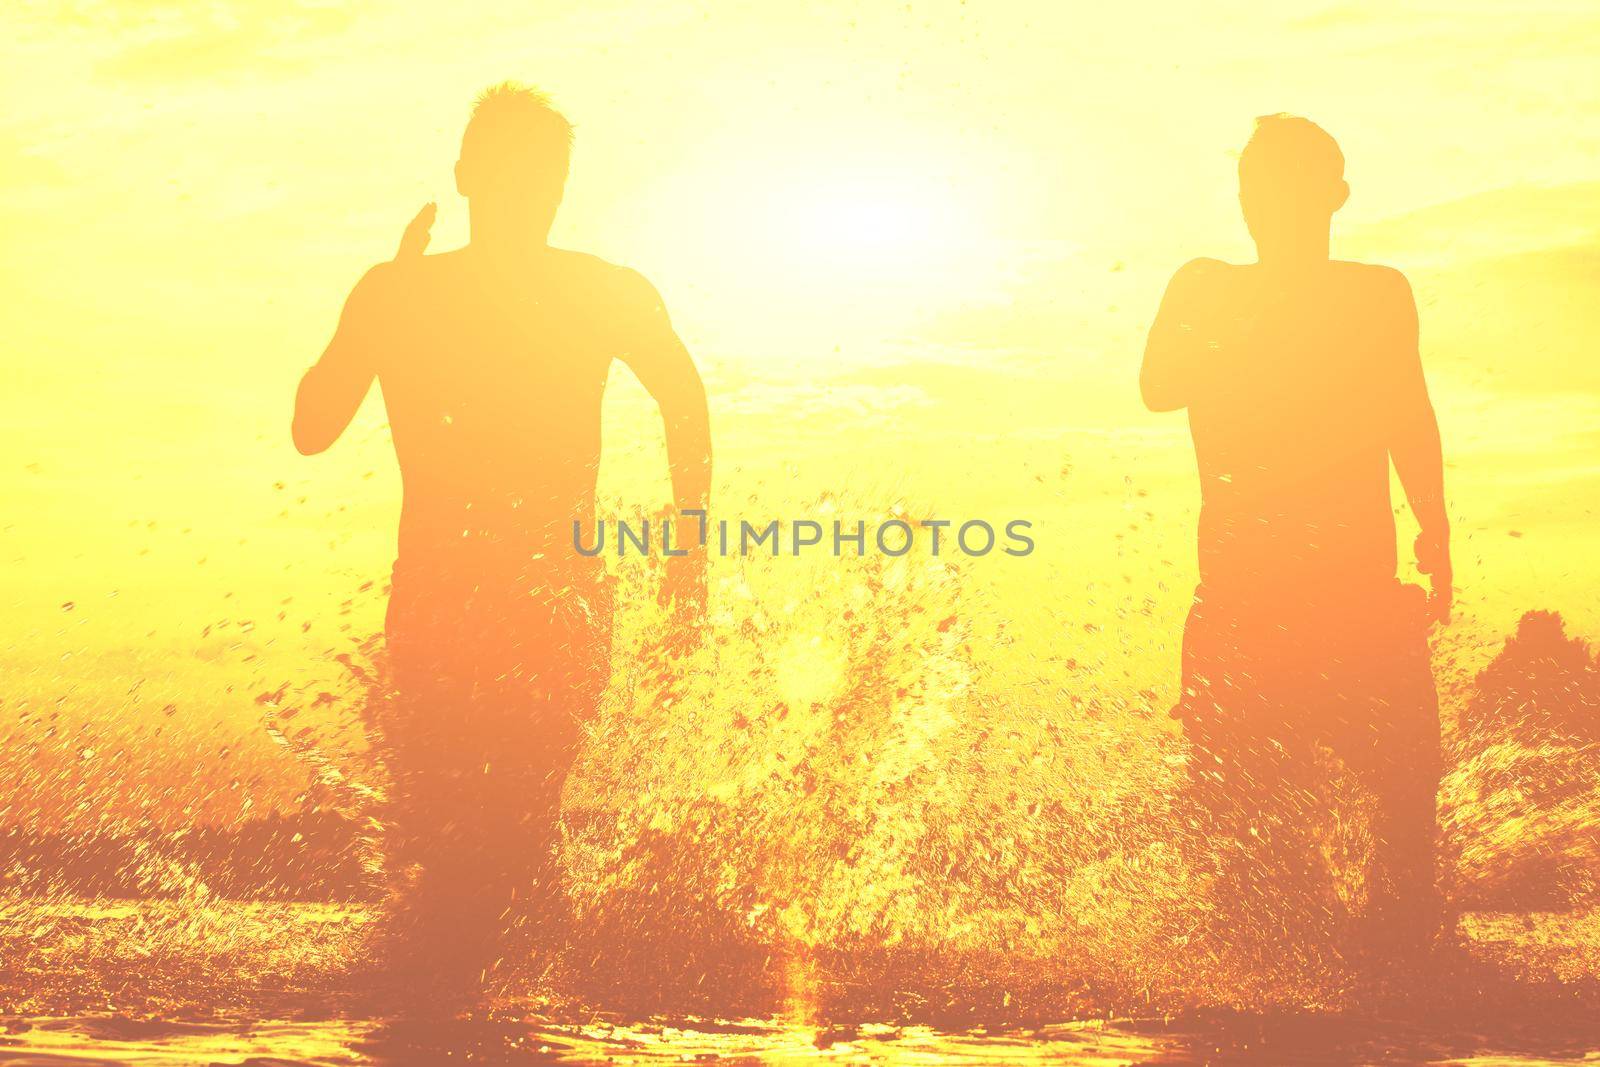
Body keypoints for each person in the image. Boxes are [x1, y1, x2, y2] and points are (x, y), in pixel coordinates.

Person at [292, 83, 712, 998]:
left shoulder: (599, 290)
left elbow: (684, 397)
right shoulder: (400, 290)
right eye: (513, 174)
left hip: (552, 593)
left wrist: (690, 556)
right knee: (449, 843)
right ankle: (472, 1018)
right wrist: (375, 310)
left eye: (546, 177)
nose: (531, 193)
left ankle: (507, 1014)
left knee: (515, 826)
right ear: (467, 176)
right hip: (440, 597)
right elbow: (313, 427)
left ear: (563, 184)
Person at [1141, 115, 1450, 953]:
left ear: (1334, 195)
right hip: (1243, 603)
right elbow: (1157, 385)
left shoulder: (1374, 293)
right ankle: (1253, 994)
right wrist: (1250, 326)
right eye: (1251, 190)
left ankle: (1405, 991)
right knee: (1246, 838)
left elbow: (1408, 413)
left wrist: (1437, 529)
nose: (1261, 206)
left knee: (1405, 808)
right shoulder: (1206, 287)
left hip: (1358, 597)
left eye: (1282, 188)